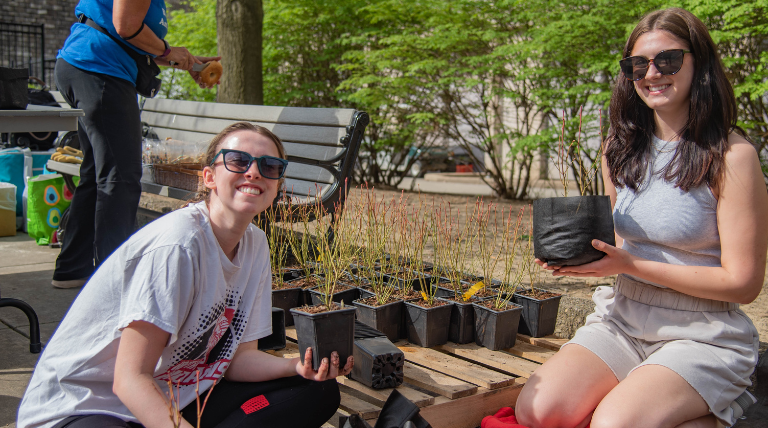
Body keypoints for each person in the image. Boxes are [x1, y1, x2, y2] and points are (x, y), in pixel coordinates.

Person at [515, 8, 768, 428]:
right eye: (637, 64)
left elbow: (744, 284)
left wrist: (630, 265)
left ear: (698, 63)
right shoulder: (620, 146)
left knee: (613, 424)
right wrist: (575, 254)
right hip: (624, 316)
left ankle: (724, 405)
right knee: (538, 411)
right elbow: (618, 238)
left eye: (667, 60)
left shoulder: (733, 156)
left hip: (703, 333)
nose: (652, 73)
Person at [18, 122, 353, 428]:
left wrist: (298, 366)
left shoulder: (255, 244)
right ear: (208, 177)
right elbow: (130, 379)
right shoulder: (178, 246)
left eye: (269, 167)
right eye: (237, 161)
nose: (253, 173)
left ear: (277, 184)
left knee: (317, 391)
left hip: (179, 395)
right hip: (91, 407)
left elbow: (238, 361)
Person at [51, 0, 220, 289]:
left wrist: (185, 61)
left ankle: (72, 268)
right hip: (101, 70)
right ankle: (114, 281)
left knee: (98, 173)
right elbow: (126, 26)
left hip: (87, 64)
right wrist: (168, 50)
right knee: (121, 176)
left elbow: (130, 40)